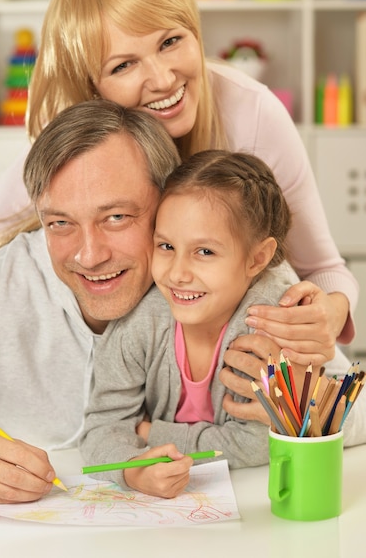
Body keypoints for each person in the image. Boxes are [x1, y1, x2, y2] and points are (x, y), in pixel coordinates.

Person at [0, 0, 357, 362]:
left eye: (171, 41)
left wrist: (329, 313)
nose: (162, 78)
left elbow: (323, 268)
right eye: (123, 66)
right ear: (92, 87)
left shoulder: (252, 114)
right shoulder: (73, 145)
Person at [81, 150, 366, 499]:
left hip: (257, 499)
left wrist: (152, 433)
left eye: (205, 252)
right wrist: (131, 470)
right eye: (167, 246)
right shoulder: (139, 323)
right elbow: (101, 427)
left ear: (257, 258)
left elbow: (256, 443)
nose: (177, 274)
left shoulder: (270, 325)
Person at [0, 99, 181, 504]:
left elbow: (338, 410)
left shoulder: (221, 273)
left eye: (116, 217)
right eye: (61, 223)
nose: (89, 255)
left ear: (167, 205)